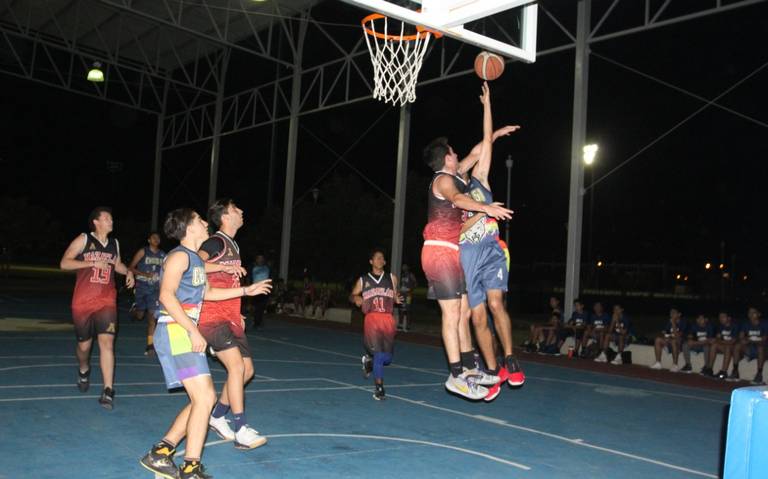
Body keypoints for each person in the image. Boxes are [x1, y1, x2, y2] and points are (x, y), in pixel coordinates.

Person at [139, 208, 271, 479]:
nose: (204, 223)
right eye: (199, 220)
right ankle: (186, 464)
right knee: (205, 397)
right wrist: (192, 330)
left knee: (205, 398)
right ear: (189, 228)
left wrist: (246, 290)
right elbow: (166, 296)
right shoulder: (177, 257)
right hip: (176, 331)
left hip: (183, 330)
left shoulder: (194, 262)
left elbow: (209, 292)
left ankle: (165, 454)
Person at [420, 83, 514, 401]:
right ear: (445, 158)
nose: (457, 153)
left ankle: (469, 367)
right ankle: (456, 375)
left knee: (461, 311)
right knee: (452, 314)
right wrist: (486, 207)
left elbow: (479, 150)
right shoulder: (445, 180)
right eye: (452, 151)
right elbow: (459, 199)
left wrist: (494, 131)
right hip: (440, 251)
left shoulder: (457, 171)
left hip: (453, 253)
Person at [456, 81, 524, 401]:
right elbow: (473, 152)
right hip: (468, 255)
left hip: (492, 249)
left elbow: (482, 144)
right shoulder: (448, 196)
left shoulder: (479, 179)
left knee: (497, 304)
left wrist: (487, 106)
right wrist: (481, 212)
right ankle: (492, 369)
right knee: (478, 316)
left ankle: (510, 358)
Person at [197, 199, 267, 450]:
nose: (242, 211)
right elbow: (195, 263)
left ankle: (216, 417)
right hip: (212, 317)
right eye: (237, 209)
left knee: (247, 371)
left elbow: (228, 281)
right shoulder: (215, 242)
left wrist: (237, 310)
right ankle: (241, 429)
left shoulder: (233, 245)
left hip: (230, 316)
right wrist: (223, 265)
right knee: (236, 368)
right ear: (225, 216)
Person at [60, 206, 135, 410]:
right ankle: (83, 369)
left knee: (107, 343)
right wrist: (90, 264)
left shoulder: (114, 243)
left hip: (106, 301)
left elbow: (116, 264)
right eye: (107, 218)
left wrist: (127, 271)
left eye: (111, 218)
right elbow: (64, 263)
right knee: (84, 346)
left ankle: (108, 390)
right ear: (96, 222)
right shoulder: (83, 239)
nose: (111, 221)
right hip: (83, 302)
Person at [349, 248, 402, 400]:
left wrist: (396, 299)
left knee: (387, 359)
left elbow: (395, 295)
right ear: (371, 262)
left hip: (388, 319)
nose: (380, 260)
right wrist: (356, 299)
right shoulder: (363, 280)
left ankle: (369, 363)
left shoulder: (392, 278)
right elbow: (351, 295)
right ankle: (379, 388)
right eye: (377, 258)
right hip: (372, 319)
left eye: (382, 258)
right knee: (379, 354)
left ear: (385, 262)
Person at [129, 232, 166, 355]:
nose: (156, 239)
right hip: (142, 287)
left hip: (154, 290)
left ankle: (150, 345)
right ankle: (135, 310)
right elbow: (131, 268)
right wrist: (145, 275)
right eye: (154, 237)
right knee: (140, 316)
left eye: (158, 237)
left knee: (152, 318)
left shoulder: (163, 255)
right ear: (149, 240)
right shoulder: (143, 252)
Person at [732, 307, 767, 384]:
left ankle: (759, 374)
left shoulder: (765, 323)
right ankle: (735, 371)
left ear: (758, 314)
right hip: (750, 347)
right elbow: (741, 337)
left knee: (760, 347)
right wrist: (749, 340)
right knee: (737, 345)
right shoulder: (745, 324)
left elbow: (764, 339)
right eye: (749, 313)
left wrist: (749, 339)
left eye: (753, 312)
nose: (751, 314)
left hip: (763, 349)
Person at [710, 311, 739, 380]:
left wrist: (720, 341)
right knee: (714, 345)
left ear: (729, 318)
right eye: (720, 317)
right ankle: (709, 369)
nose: (720, 319)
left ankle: (724, 372)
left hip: (735, 350)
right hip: (725, 347)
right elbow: (717, 338)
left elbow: (732, 342)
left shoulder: (735, 326)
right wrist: (718, 340)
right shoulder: (720, 326)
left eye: (723, 317)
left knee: (728, 347)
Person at [250, 254, 270, 329]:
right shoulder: (253, 268)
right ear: (256, 259)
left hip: (264, 289)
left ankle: (258, 321)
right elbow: (250, 278)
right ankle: (256, 321)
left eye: (261, 258)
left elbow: (270, 278)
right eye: (258, 258)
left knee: (262, 306)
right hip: (255, 289)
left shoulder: (267, 268)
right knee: (256, 306)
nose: (260, 260)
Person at [397, 264, 417, 332]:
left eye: (405, 266)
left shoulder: (411, 275)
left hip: (408, 295)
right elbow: (401, 284)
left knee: (408, 309)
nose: (404, 268)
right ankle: (400, 324)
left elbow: (415, 283)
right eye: (403, 267)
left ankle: (408, 326)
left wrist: (410, 290)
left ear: (408, 267)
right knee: (401, 309)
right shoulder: (402, 275)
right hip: (402, 294)